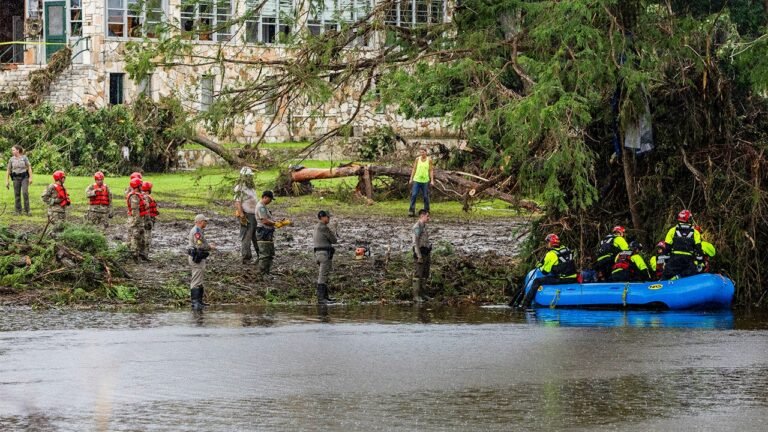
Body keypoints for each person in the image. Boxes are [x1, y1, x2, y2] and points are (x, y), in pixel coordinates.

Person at [516, 234, 578, 308]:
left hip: (563, 279)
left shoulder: (551, 254)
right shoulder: (566, 249)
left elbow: (545, 272)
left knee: (537, 281)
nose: (546, 245)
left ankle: (525, 304)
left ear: (550, 243)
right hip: (573, 278)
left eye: (547, 243)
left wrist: (540, 266)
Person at [663, 209, 702, 279]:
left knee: (666, 277)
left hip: (674, 259)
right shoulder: (695, 232)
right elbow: (699, 249)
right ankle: (680, 279)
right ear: (689, 219)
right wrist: (699, 263)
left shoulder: (672, 230)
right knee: (690, 277)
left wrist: (666, 262)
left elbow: (667, 248)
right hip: (688, 260)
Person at [188, 214, 214, 310]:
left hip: (199, 257)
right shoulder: (196, 231)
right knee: (196, 279)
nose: (206, 223)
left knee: (199, 279)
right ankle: (195, 302)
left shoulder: (199, 230)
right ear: (200, 221)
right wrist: (210, 247)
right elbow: (199, 246)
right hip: (196, 257)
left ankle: (199, 301)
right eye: (205, 221)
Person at [234, 167, 259, 264]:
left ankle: (260, 255)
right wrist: (241, 215)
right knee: (246, 236)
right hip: (246, 215)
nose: (250, 178)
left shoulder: (251, 187)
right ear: (244, 177)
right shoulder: (239, 188)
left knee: (255, 236)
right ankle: (246, 258)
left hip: (254, 215)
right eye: (248, 176)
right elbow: (237, 202)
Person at [313, 210, 338, 304]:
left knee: (323, 274)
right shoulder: (324, 228)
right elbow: (334, 240)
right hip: (324, 254)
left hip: (318, 254)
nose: (329, 219)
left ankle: (325, 297)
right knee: (323, 276)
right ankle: (321, 299)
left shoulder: (316, 227)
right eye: (328, 217)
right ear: (322, 217)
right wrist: (335, 229)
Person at [412, 209, 432, 302]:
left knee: (425, 274)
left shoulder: (424, 226)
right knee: (418, 274)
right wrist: (419, 255)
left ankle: (423, 294)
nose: (429, 218)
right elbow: (415, 242)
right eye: (427, 216)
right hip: (420, 253)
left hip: (426, 253)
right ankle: (416, 296)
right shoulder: (417, 226)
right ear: (422, 216)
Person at [5, 145, 33, 215]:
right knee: (17, 194)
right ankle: (18, 210)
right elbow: (8, 170)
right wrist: (7, 181)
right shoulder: (11, 159)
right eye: (12, 150)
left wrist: (30, 178)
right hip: (15, 178)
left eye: (13, 150)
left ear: (18, 150)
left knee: (25, 193)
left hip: (24, 177)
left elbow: (29, 167)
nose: (12, 151)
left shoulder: (24, 158)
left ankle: (27, 210)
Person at [126, 177, 148, 262]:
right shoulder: (134, 196)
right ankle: (134, 255)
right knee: (135, 236)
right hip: (136, 220)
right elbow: (135, 211)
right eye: (140, 185)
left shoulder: (140, 194)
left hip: (140, 220)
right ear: (137, 186)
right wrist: (136, 222)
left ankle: (141, 254)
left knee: (142, 237)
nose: (142, 186)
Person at [255, 190, 278, 275]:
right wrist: (275, 223)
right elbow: (264, 221)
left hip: (267, 231)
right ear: (265, 197)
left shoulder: (263, 206)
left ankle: (267, 272)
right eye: (270, 199)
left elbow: (268, 218)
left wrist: (276, 221)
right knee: (265, 254)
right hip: (263, 231)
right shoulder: (261, 207)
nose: (271, 201)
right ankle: (262, 274)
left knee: (269, 253)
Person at [408, 147, 434, 217]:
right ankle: (411, 210)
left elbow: (431, 170)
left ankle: (426, 210)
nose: (422, 153)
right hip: (417, 180)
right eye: (420, 152)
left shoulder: (429, 160)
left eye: (423, 152)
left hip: (425, 181)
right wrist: (411, 178)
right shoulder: (417, 159)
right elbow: (414, 169)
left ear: (426, 152)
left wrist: (432, 180)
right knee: (414, 195)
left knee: (425, 196)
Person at [141, 181, 158, 255]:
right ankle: (145, 253)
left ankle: (141, 252)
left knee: (142, 235)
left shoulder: (139, 196)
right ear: (148, 190)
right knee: (147, 236)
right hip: (148, 220)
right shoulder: (148, 198)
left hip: (141, 220)